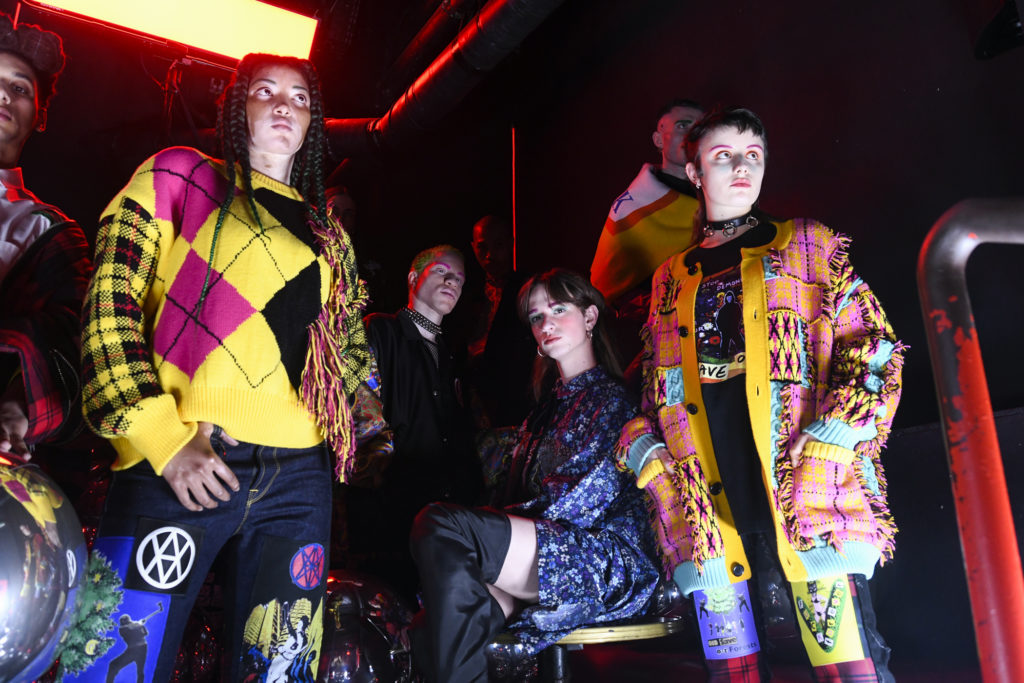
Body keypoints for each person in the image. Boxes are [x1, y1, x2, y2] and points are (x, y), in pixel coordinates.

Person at [78, 53, 370, 682]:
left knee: (281, 669)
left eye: (300, 96)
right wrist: (162, 436)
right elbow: (109, 303)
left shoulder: (329, 235)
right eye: (265, 90)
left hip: (298, 474)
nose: (284, 104)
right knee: (108, 663)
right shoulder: (181, 175)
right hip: (182, 452)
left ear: (313, 123)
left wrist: (368, 425)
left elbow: (347, 357)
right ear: (237, 108)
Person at [615, 107, 905, 681]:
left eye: (753, 155)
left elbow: (876, 347)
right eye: (723, 156)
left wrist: (836, 431)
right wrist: (647, 452)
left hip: (803, 484)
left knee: (848, 668)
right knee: (735, 674)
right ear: (695, 172)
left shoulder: (805, 244)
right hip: (707, 501)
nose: (741, 167)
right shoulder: (670, 278)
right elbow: (654, 386)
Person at [410, 269, 660, 683]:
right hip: (549, 549)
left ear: (590, 317)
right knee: (429, 628)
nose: (546, 324)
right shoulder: (545, 411)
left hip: (601, 561)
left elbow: (582, 502)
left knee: (440, 524)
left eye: (559, 310)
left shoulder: (611, 401)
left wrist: (489, 535)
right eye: (536, 317)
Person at [342, 244, 481, 603]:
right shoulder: (380, 330)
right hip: (391, 516)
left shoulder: (452, 355)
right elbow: (360, 415)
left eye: (460, 279)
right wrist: (383, 476)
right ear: (413, 277)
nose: (452, 281)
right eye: (442, 271)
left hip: (445, 520)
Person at [0, 13, 89, 459]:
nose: (3, 94)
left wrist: (18, 406)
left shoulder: (48, 232)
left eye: (19, 89)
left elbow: (74, 337)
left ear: (40, 116)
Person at [589, 98, 704, 313]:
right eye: (682, 125)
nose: (693, 135)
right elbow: (607, 286)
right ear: (658, 140)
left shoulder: (721, 198)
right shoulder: (633, 206)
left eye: (700, 128)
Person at [464, 214, 535, 428]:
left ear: (511, 244)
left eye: (499, 245)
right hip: (471, 395)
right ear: (473, 247)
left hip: (513, 397)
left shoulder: (527, 288)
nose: (489, 255)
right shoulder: (464, 290)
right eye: (482, 247)